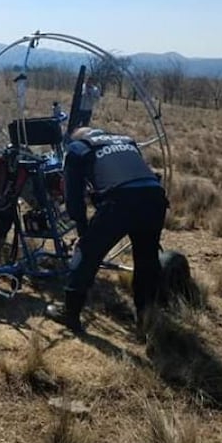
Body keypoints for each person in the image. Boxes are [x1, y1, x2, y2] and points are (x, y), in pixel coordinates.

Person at [46, 128, 168, 336]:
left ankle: (70, 312)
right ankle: (145, 320)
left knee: (87, 253)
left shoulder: (77, 149)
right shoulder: (127, 141)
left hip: (121, 202)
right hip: (155, 197)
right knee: (147, 260)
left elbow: (73, 197)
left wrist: (83, 229)